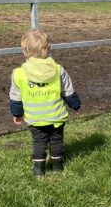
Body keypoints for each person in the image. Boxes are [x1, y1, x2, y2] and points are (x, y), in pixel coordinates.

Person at [9, 31, 81, 177]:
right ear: (47, 49)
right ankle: (57, 169)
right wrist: (76, 105)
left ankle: (39, 171)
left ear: (25, 51)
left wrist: (17, 114)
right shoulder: (58, 69)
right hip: (56, 116)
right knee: (56, 141)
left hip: (35, 118)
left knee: (39, 142)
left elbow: (16, 97)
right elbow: (68, 91)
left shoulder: (18, 73)